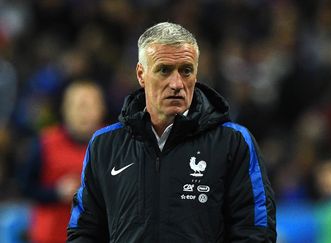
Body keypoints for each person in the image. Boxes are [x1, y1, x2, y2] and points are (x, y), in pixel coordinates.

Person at [67, 22, 276, 242]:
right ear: (141, 74)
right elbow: (85, 231)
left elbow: (255, 230)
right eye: (164, 70)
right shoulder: (105, 145)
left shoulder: (233, 142)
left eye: (186, 70)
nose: (176, 83)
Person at [21, 80, 106, 243]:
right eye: (78, 106)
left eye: (89, 105)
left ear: (101, 109)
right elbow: (26, 186)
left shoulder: (115, 144)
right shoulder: (45, 143)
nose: (84, 113)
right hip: (51, 236)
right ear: (65, 109)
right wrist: (56, 192)